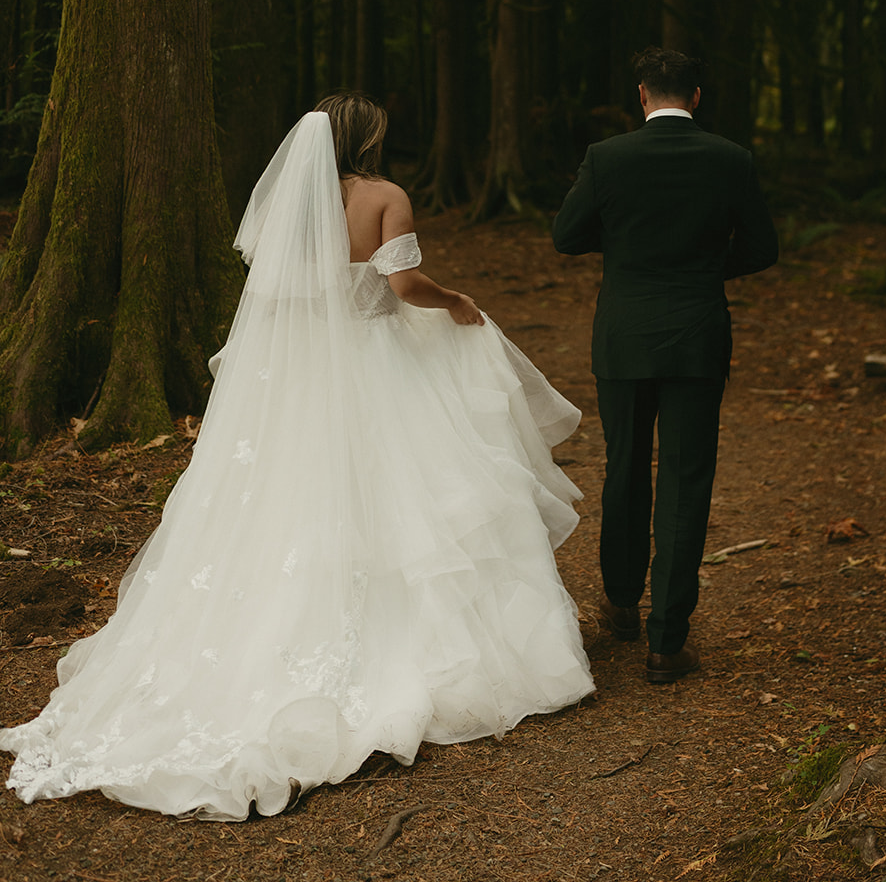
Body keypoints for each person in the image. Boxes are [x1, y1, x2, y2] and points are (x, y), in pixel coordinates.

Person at [0, 96, 593, 819]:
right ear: (368, 139)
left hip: (306, 371)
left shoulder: (293, 205)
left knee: (290, 502)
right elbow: (403, 286)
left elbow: (278, 294)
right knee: (407, 502)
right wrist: (457, 301)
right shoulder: (385, 197)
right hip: (376, 367)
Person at [552, 48, 777, 683]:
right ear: (697, 97)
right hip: (697, 338)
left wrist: (625, 248)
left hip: (624, 337)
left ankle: (621, 605)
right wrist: (706, 267)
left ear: (643, 96)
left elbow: (566, 235)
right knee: (685, 481)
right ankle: (666, 640)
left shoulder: (608, 157)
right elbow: (763, 246)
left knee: (625, 466)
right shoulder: (731, 159)